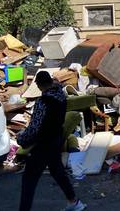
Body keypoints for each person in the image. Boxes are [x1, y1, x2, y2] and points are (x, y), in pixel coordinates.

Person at [17, 71, 86, 211]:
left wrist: (22, 139)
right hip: (56, 139)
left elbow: (35, 126)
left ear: (39, 85)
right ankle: (74, 202)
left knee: (29, 178)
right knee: (57, 171)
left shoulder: (43, 102)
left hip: (43, 144)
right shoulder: (60, 96)